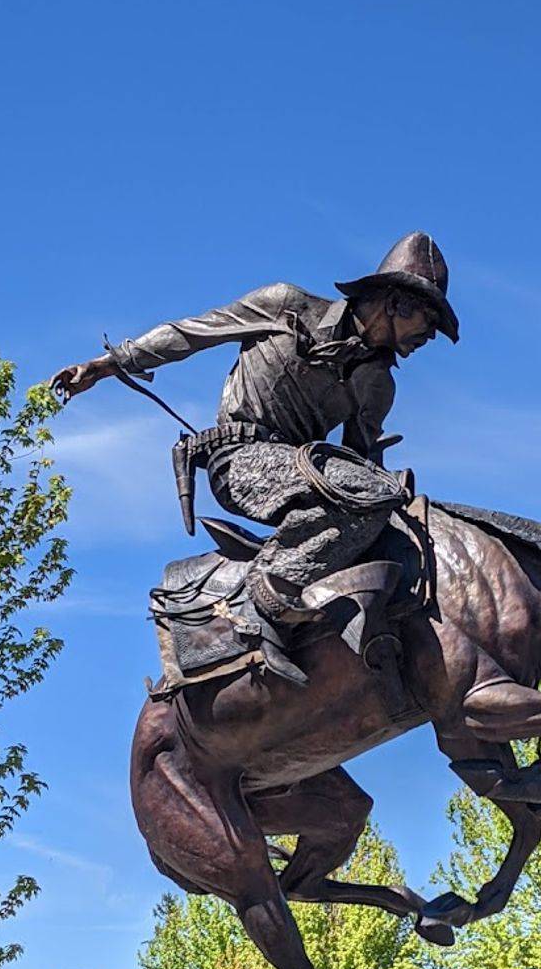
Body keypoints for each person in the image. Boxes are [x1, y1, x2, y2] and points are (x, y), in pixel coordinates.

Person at [51, 231, 458, 678]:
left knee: (381, 503)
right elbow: (191, 334)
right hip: (239, 461)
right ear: (396, 302)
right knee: (372, 490)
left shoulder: (376, 383)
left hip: (308, 477)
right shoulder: (285, 305)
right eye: (429, 317)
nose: (432, 335)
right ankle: (266, 591)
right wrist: (106, 365)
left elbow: (358, 466)